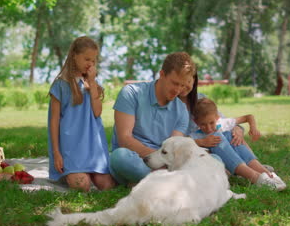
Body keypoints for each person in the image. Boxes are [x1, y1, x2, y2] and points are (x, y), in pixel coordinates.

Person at [109, 52, 196, 185]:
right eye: (174, 83)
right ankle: (172, 182)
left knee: (214, 159)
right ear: (162, 75)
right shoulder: (131, 93)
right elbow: (124, 139)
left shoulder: (181, 110)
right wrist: (159, 158)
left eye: (182, 85)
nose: (178, 90)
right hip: (135, 159)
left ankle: (156, 182)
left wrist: (164, 160)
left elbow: (175, 147)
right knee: (120, 157)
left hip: (163, 162)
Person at [47, 36, 115, 192]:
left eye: (93, 60)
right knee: (82, 185)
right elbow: (54, 121)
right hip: (71, 148)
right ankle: (76, 172)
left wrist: (92, 84)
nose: (90, 64)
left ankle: (88, 171)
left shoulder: (92, 84)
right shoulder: (61, 85)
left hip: (93, 147)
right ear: (74, 56)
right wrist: (56, 153)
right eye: (86, 59)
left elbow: (97, 112)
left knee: (107, 185)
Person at [190, 98, 287, 191]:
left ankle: (266, 173)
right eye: (203, 124)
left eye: (211, 123)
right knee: (217, 137)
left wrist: (253, 128)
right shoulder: (195, 135)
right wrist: (202, 142)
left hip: (236, 158)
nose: (208, 128)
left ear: (217, 117)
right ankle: (256, 178)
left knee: (230, 134)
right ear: (196, 122)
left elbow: (248, 117)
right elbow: (183, 142)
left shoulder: (222, 124)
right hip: (221, 164)